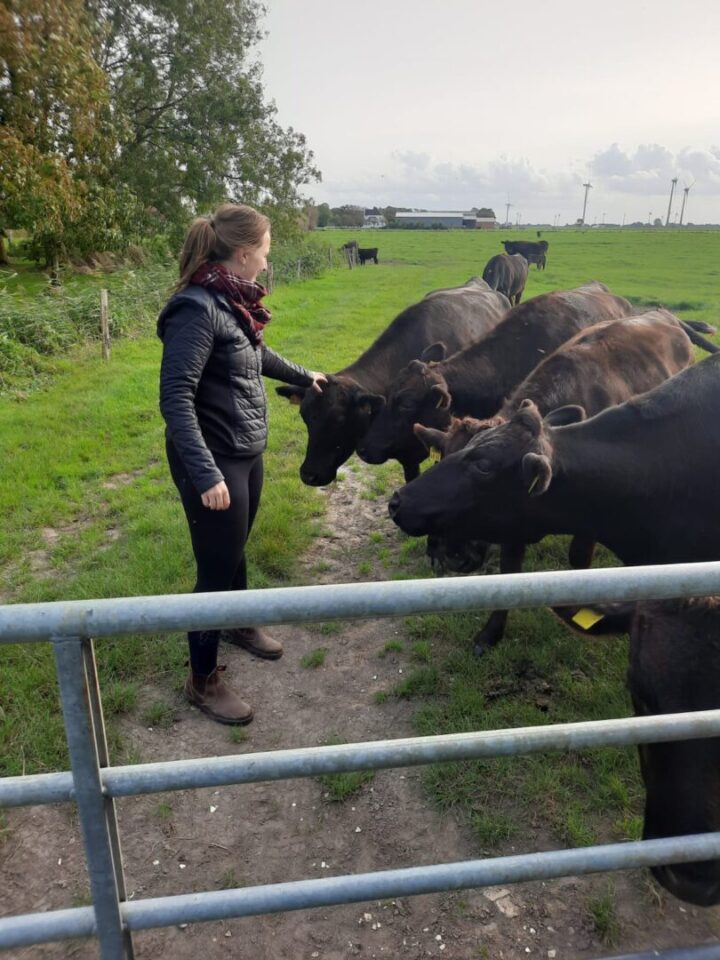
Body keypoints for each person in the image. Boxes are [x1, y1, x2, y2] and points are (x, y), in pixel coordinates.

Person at [158, 203, 326, 726]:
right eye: (268, 252)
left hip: (244, 450)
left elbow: (256, 355)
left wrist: (305, 376)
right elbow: (175, 399)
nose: (270, 263)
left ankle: (237, 622)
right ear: (246, 253)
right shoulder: (196, 308)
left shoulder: (232, 302)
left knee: (235, 549)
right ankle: (201, 679)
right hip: (214, 457)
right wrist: (206, 473)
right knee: (214, 569)